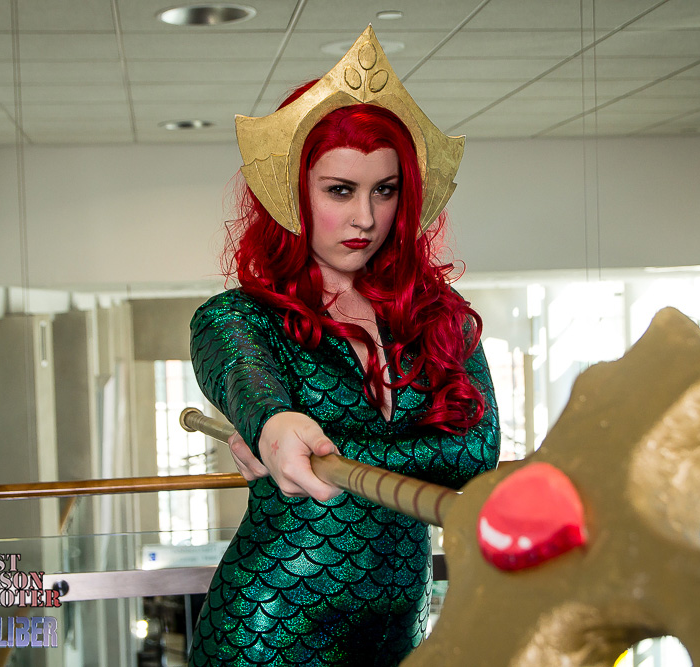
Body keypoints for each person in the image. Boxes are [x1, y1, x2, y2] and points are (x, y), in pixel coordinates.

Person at [188, 28, 500, 666]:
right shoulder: (238, 318)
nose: (366, 217)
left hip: (398, 628)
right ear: (294, 193)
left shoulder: (439, 317)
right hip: (267, 628)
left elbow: (475, 453)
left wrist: (311, 447)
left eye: (384, 190)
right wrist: (270, 426)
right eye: (340, 190)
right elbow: (247, 383)